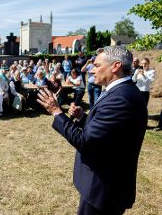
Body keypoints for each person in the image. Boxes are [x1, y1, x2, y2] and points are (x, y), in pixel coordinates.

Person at [37, 46, 147, 215]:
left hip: (104, 189)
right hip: (104, 186)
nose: (91, 70)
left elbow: (86, 142)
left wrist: (56, 111)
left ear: (115, 66)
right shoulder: (120, 92)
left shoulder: (120, 98)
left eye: (96, 65)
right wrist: (83, 118)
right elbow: (108, 132)